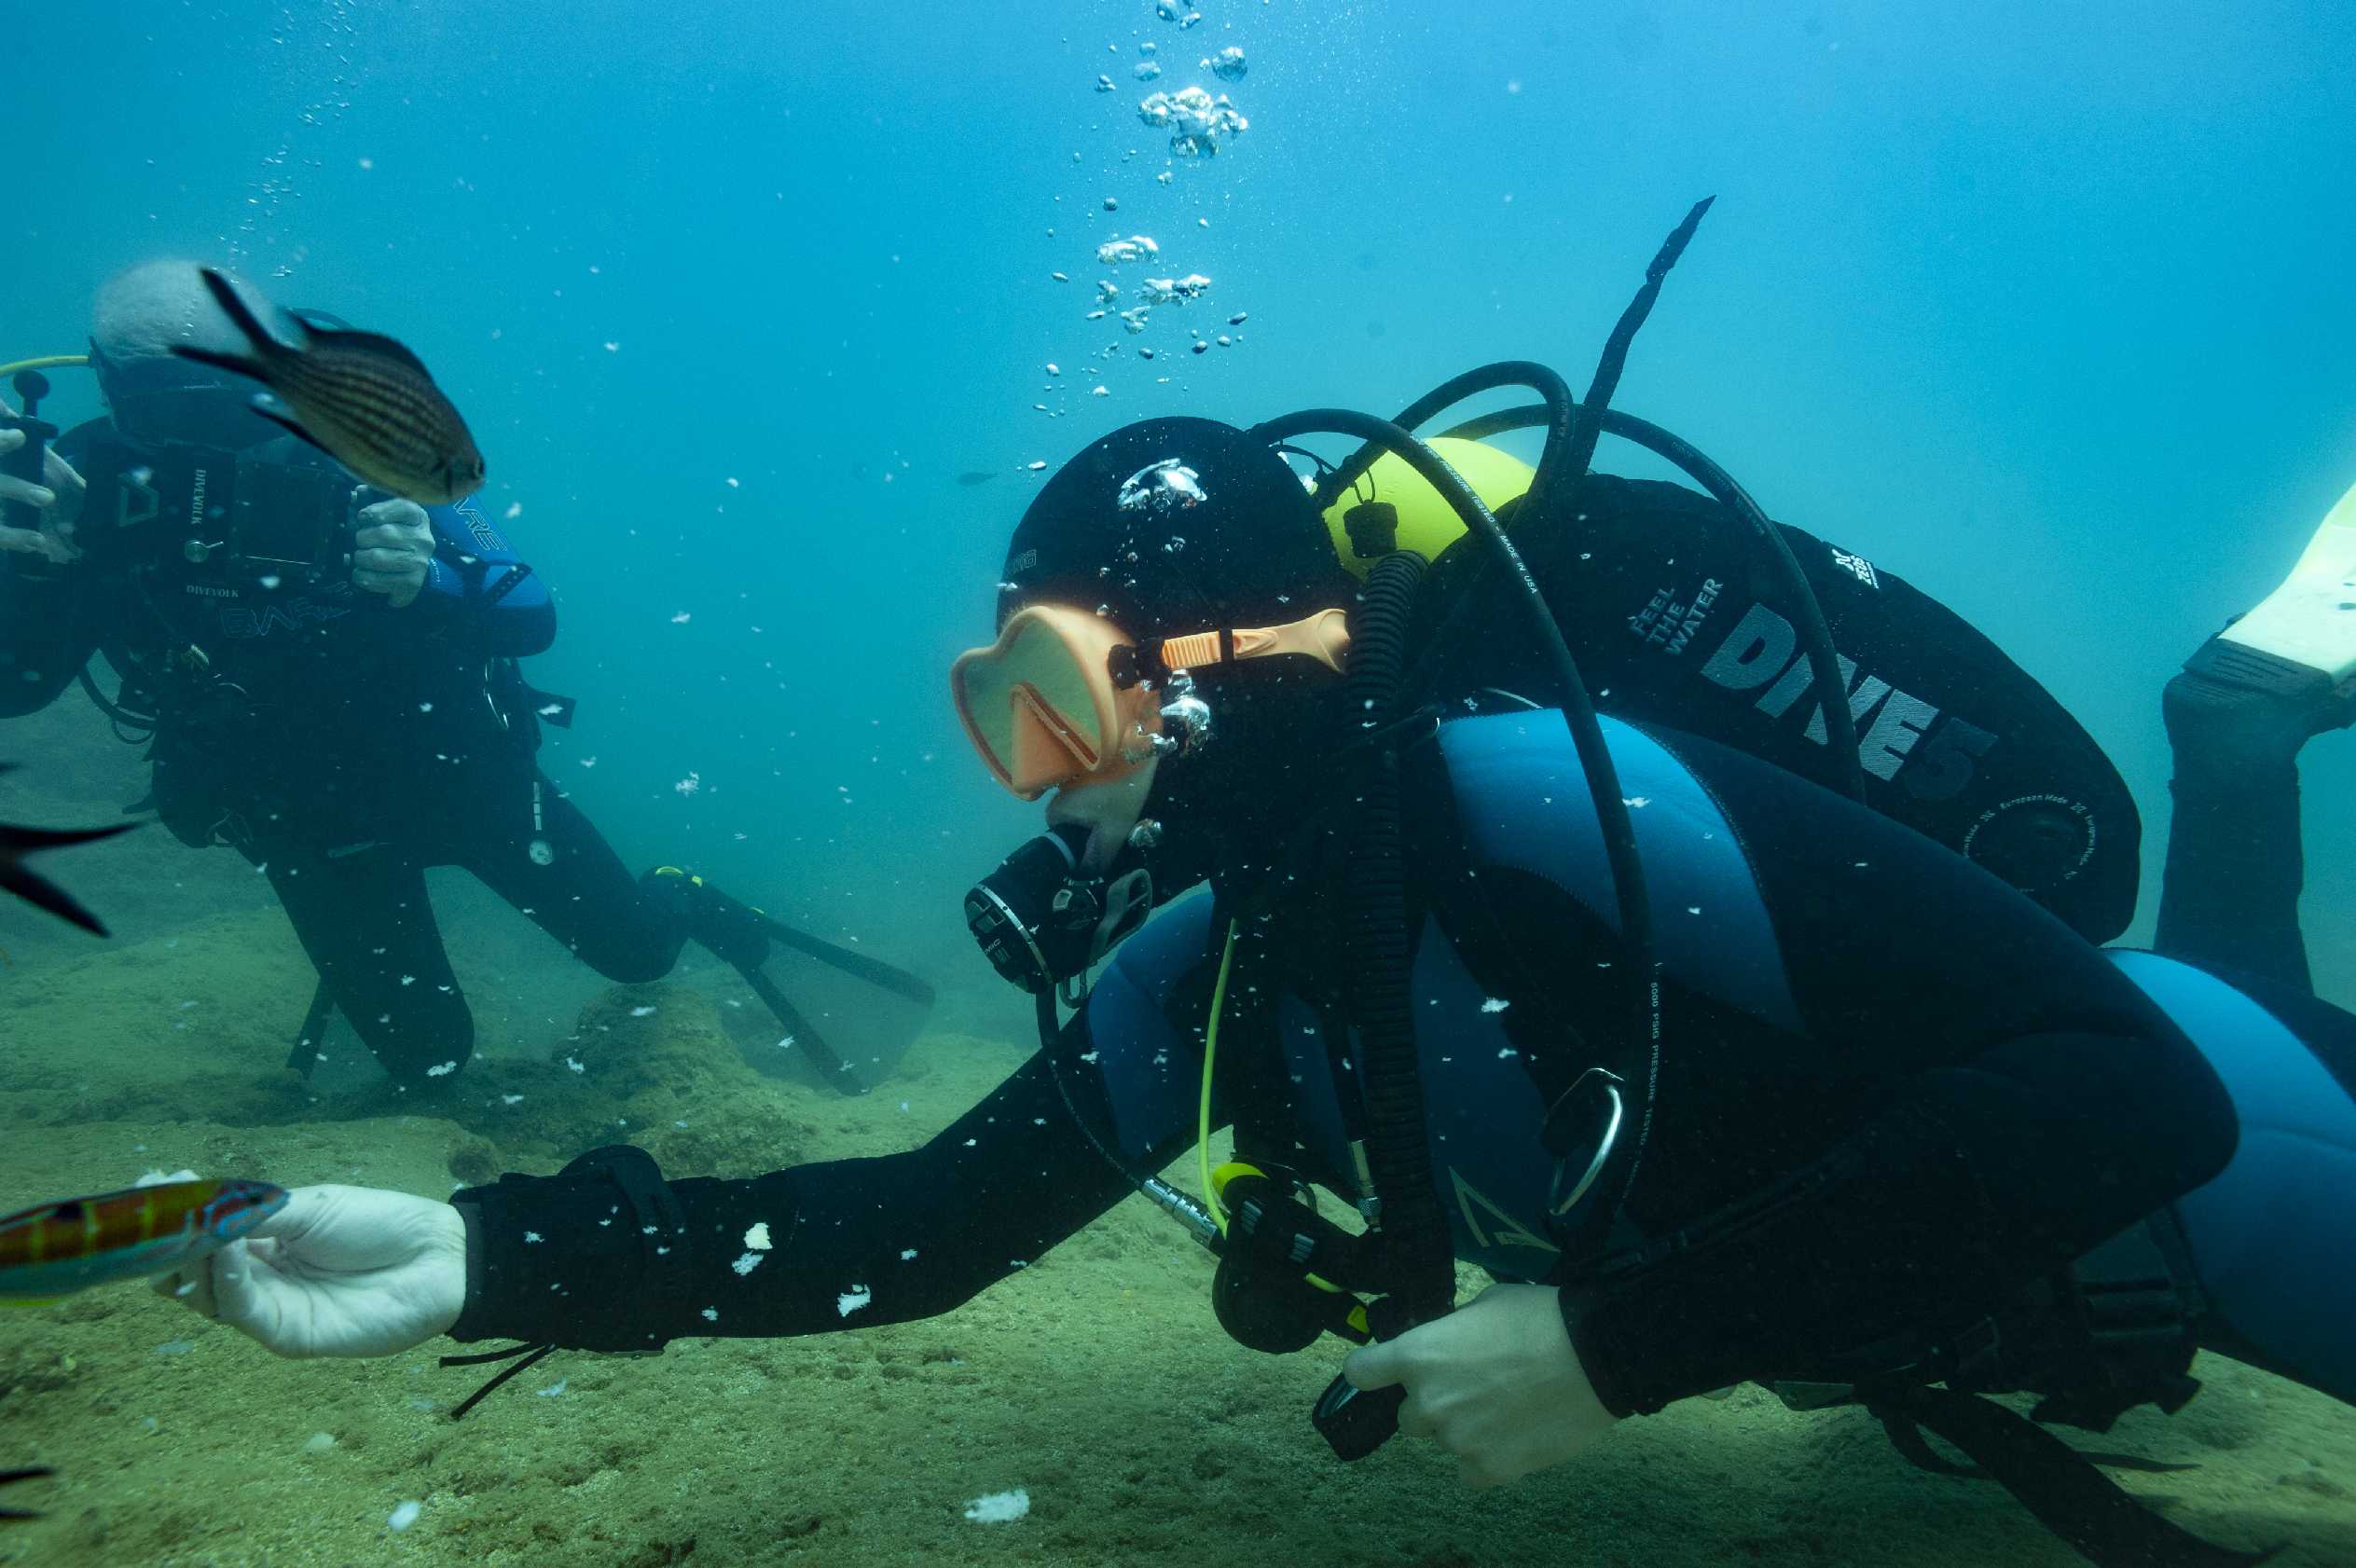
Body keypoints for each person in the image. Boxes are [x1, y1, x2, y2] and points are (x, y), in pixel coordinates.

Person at [147, 386, 2355, 1566]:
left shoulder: (1560, 808)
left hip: (2253, 1162)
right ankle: (2243, 731)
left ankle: (2244, 723)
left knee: (2238, 1015)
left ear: (1228, 677)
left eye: (1063, 698)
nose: (1040, 780)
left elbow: (2125, 1091)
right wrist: (480, 1250)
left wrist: (1610, 1342)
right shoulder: (1232, 955)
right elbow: (909, 1231)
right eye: (999, 709)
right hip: (2008, 1292)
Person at [0, 261, 925, 1090]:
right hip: (299, 818)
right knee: (428, 1057)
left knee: (638, 953)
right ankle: (381, 980)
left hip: (461, 772)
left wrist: (431, 582)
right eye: (170, 409)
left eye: (233, 398)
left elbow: (531, 614)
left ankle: (682, 895)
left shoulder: (368, 442)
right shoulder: (75, 491)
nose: (214, 448)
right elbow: (19, 687)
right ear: (111, 388)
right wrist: (29, 577)